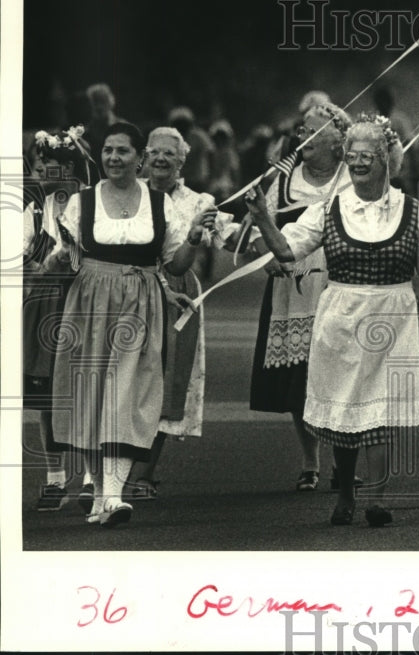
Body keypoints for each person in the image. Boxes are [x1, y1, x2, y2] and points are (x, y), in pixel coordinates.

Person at [244, 113, 419, 528]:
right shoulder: (328, 209)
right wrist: (264, 218)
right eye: (352, 156)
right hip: (341, 313)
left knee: (379, 414)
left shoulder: (414, 212)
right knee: (343, 411)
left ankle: (375, 498)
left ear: (386, 160)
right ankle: (344, 494)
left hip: (392, 317)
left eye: (367, 156)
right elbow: (287, 252)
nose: (358, 163)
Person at [48, 122, 216, 527]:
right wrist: (57, 256)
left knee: (128, 394)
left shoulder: (159, 204)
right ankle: (101, 494)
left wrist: (193, 238)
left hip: (140, 305)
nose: (113, 158)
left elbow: (174, 263)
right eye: (108, 150)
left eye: (122, 151)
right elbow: (62, 259)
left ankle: (113, 495)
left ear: (138, 158)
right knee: (90, 397)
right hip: (89, 302)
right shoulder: (82, 203)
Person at [247, 102, 353, 492]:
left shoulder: (351, 174)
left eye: (311, 130)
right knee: (299, 380)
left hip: (341, 283)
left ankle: (346, 458)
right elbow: (257, 224)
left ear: (337, 139)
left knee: (341, 374)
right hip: (294, 286)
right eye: (300, 130)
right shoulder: (285, 176)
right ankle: (311, 461)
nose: (300, 137)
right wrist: (263, 256)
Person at [125, 126, 226, 500]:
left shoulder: (199, 201)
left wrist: (269, 244)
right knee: (127, 383)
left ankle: (143, 475)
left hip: (179, 297)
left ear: (183, 160)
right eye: (155, 153)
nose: (162, 159)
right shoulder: (126, 194)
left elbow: (227, 235)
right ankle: (114, 473)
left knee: (168, 385)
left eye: (171, 153)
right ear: (144, 158)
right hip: (129, 293)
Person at [22, 126, 92, 511]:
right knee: (46, 393)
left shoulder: (94, 205)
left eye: (46, 162)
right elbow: (19, 259)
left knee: (87, 386)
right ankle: (53, 476)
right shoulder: (35, 211)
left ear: (68, 166)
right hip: (45, 304)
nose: (39, 169)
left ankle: (91, 476)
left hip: (85, 301)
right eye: (39, 162)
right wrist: (37, 263)